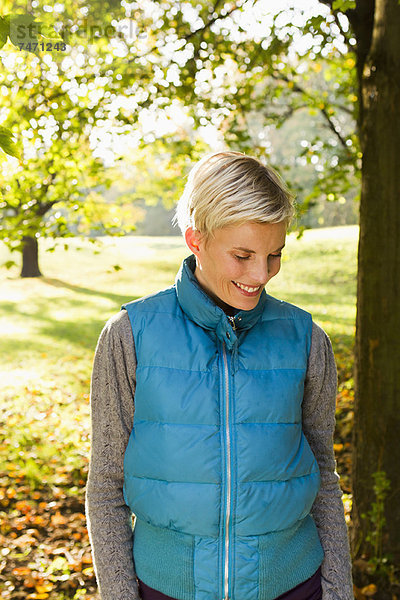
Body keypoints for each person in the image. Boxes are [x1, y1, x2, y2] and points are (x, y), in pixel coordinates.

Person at [86, 151, 353, 600]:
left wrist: (338, 589)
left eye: (274, 255)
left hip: (294, 585)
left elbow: (323, 474)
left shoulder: (306, 339)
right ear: (196, 239)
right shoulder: (129, 337)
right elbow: (106, 485)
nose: (260, 274)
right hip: (166, 589)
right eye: (243, 255)